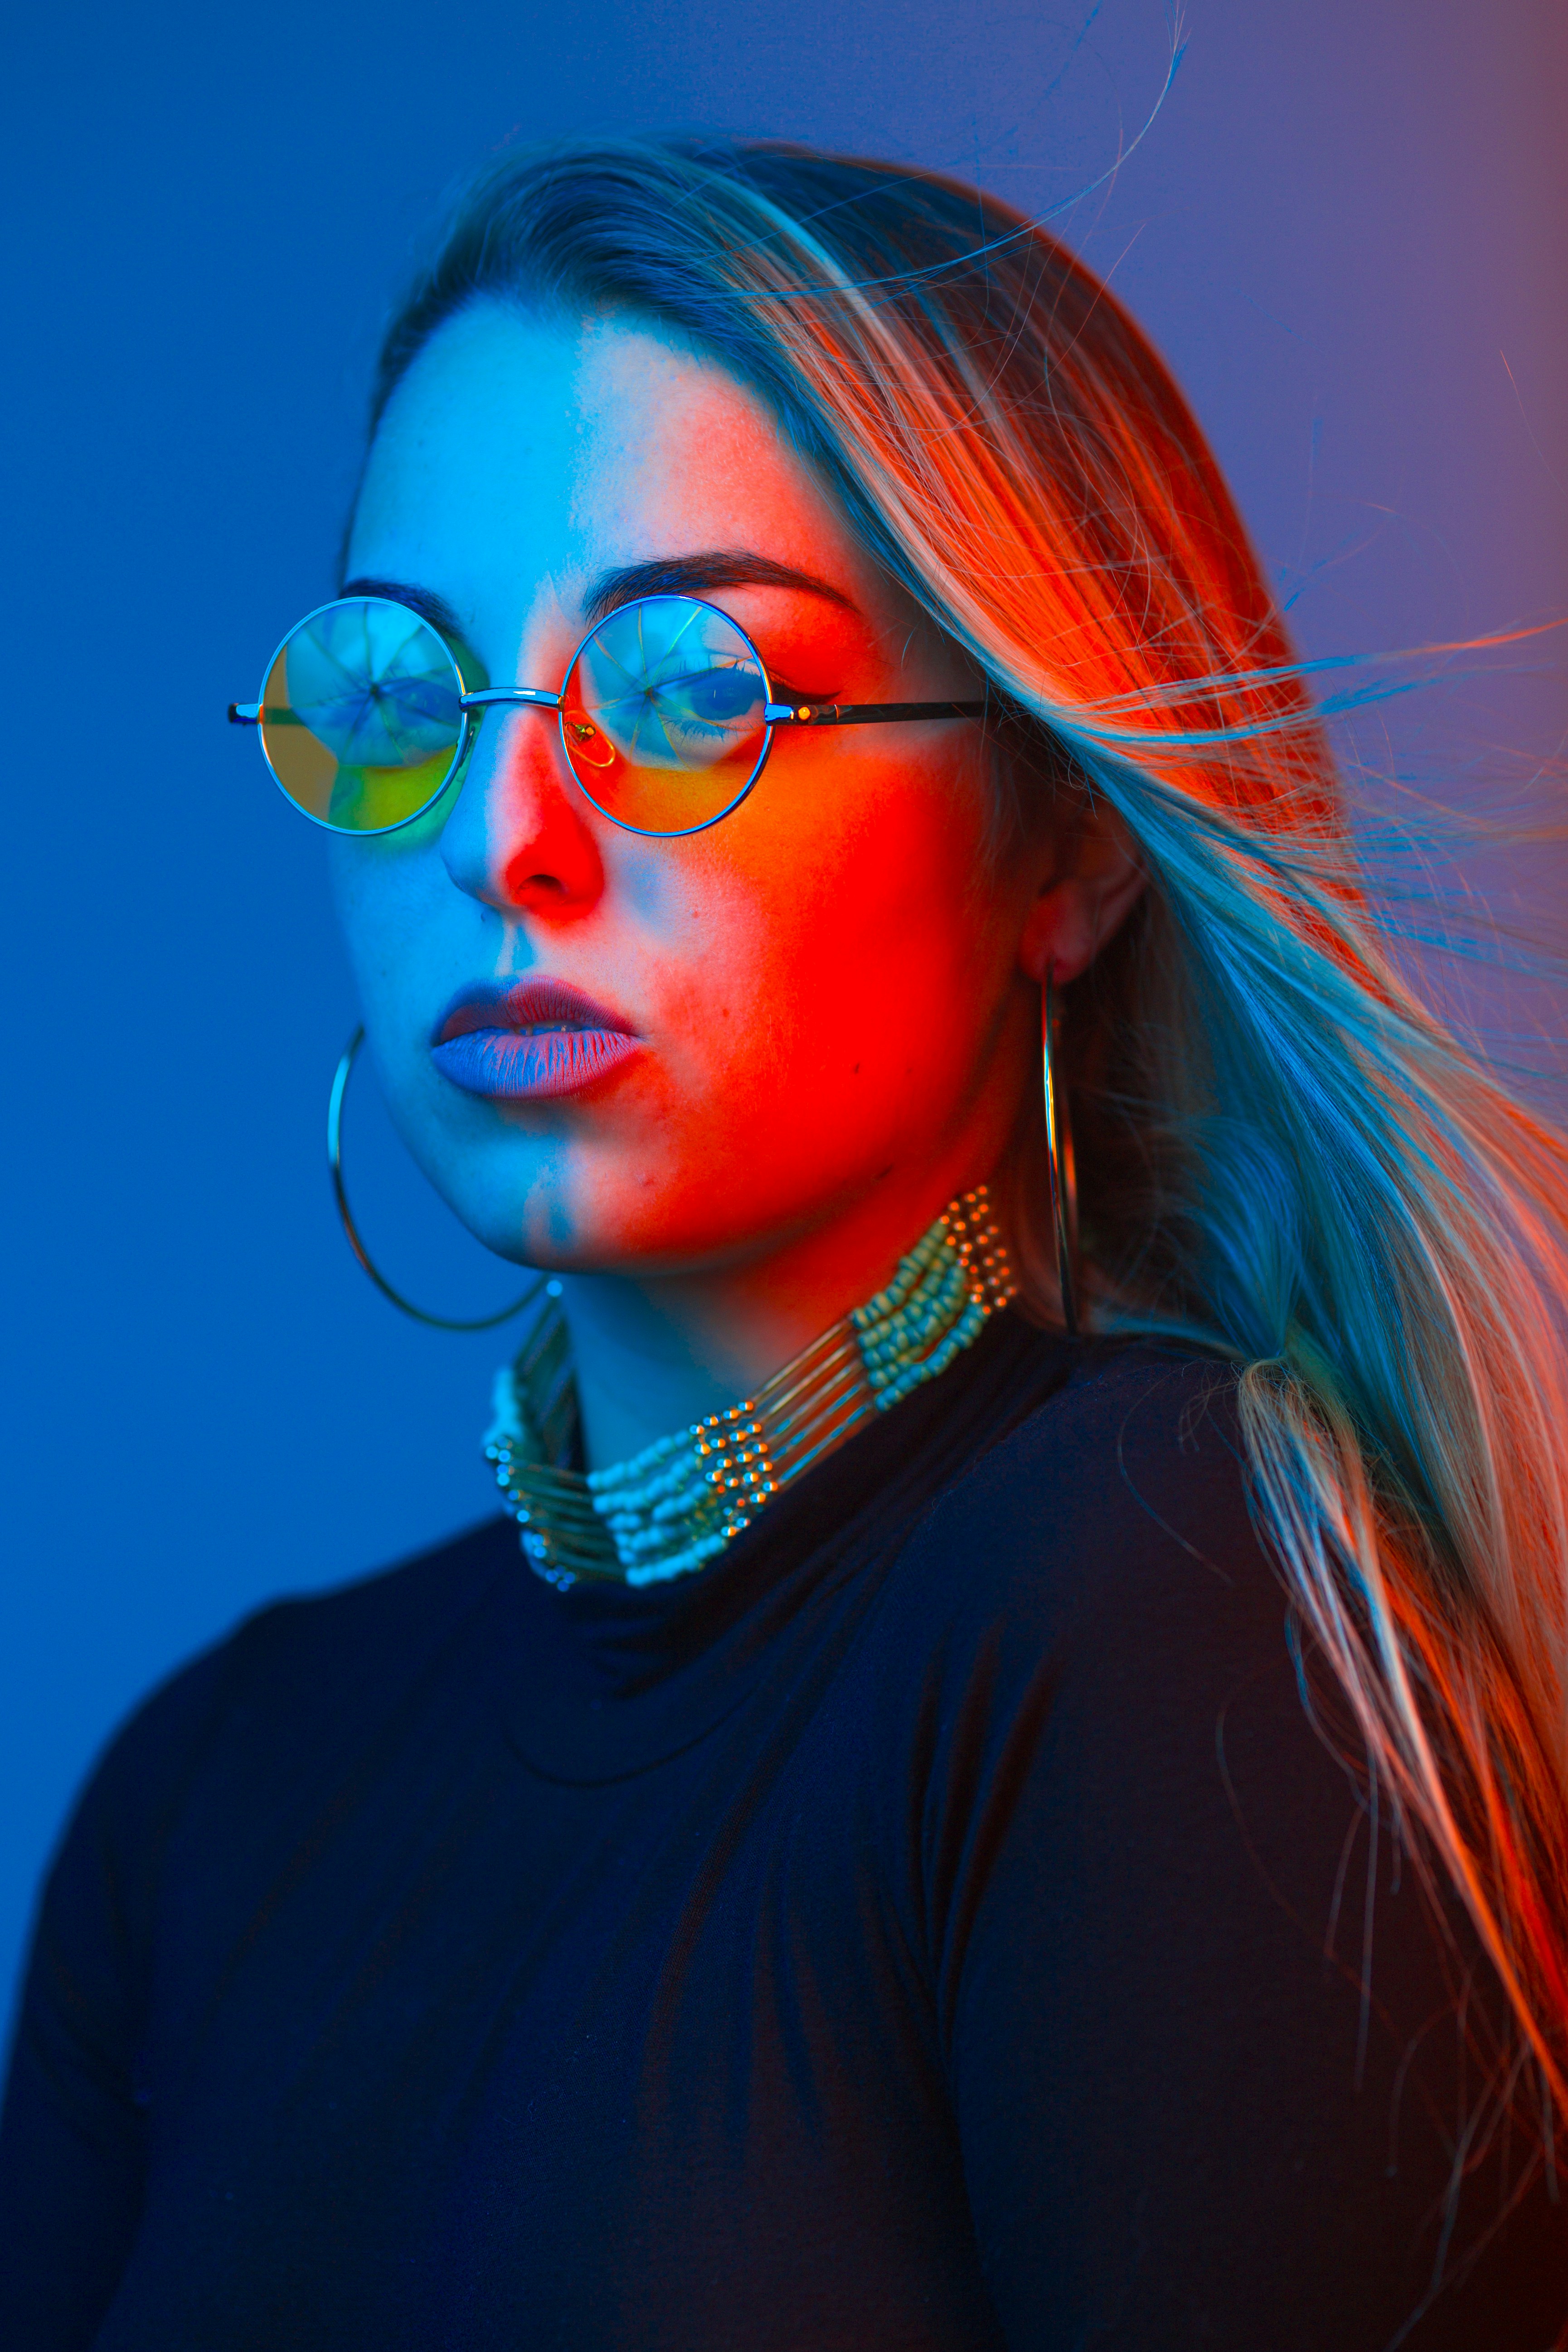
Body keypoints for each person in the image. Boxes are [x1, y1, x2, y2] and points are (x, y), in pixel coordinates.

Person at [3, 137, 1566, 2350]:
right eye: (402, 699)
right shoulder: (208, 1794)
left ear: (1064, 840)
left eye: (691, 690)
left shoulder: (1168, 1592)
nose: (501, 838)